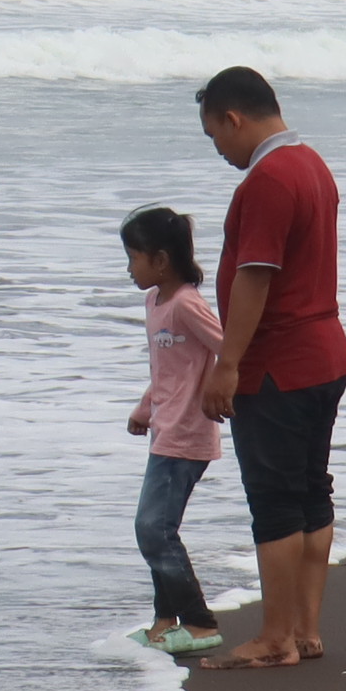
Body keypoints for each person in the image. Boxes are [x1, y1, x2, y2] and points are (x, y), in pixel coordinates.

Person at [191, 65, 346, 670]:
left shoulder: (266, 180)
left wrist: (227, 364)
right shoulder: (313, 164)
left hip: (278, 365)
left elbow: (256, 275)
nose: (220, 151)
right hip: (325, 354)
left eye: (215, 136)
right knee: (311, 491)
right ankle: (305, 630)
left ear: (233, 119)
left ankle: (275, 637)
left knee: (276, 500)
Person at [118, 204, 227, 654]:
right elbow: (165, 369)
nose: (129, 269)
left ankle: (200, 623)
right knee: (155, 527)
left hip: (189, 432)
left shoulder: (186, 304)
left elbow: (230, 347)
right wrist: (145, 407)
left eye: (133, 258)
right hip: (165, 428)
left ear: (160, 259)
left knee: (154, 529)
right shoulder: (154, 301)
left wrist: (223, 388)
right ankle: (165, 620)